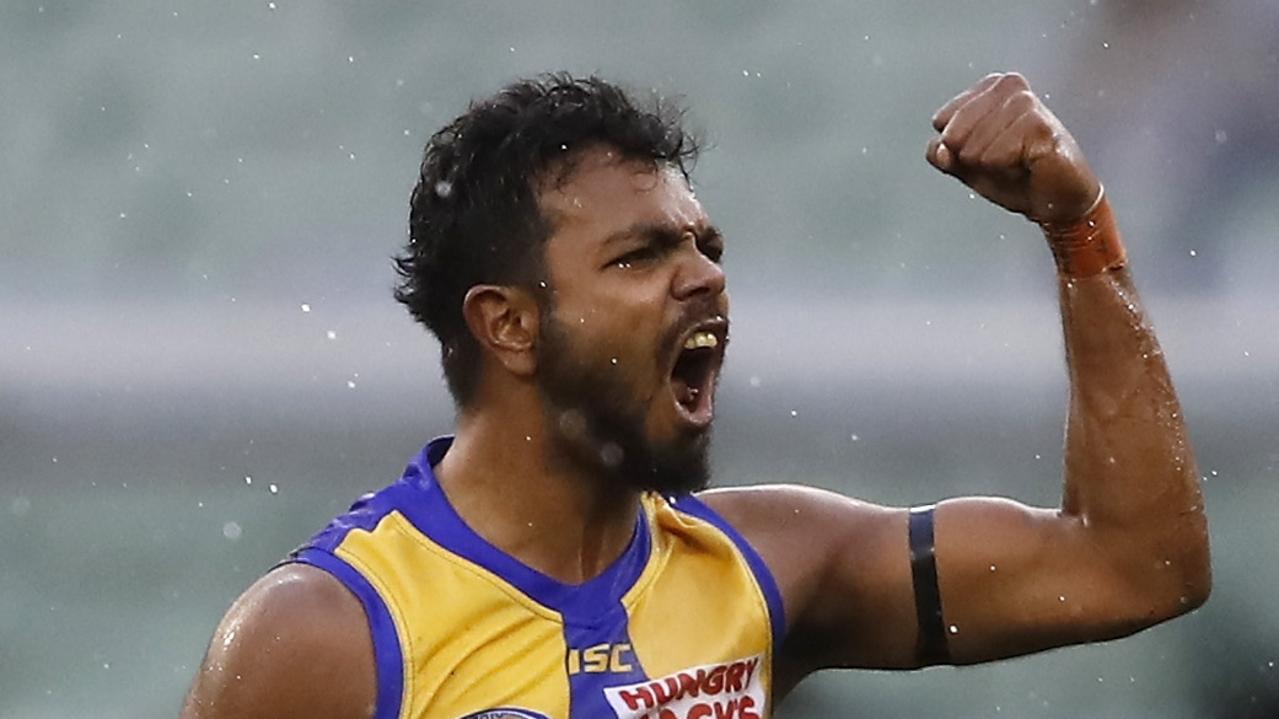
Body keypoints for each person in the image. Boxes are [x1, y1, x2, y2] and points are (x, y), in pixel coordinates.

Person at [181, 72, 1210, 719]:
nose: (705, 275)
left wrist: (1080, 231)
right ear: (508, 323)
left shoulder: (769, 568)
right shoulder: (325, 637)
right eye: (640, 254)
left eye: (704, 245)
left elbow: (1134, 564)